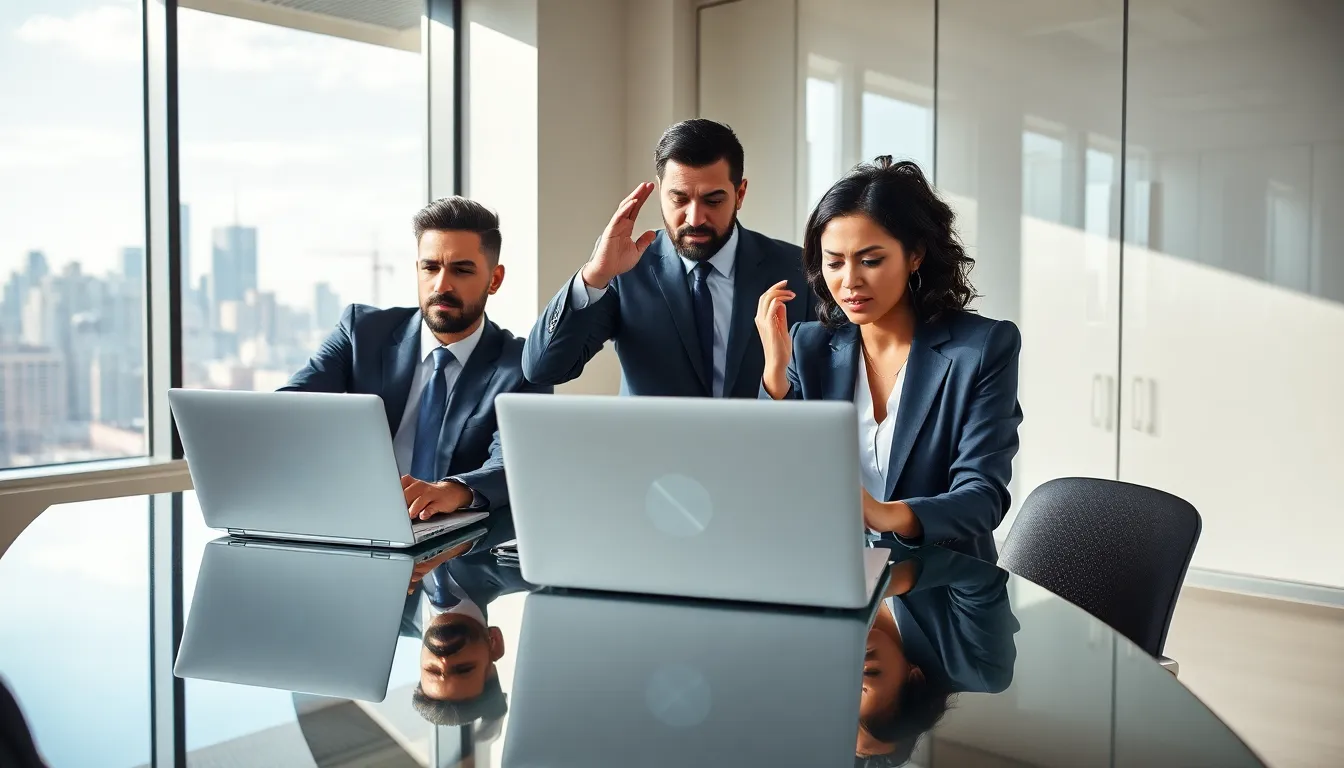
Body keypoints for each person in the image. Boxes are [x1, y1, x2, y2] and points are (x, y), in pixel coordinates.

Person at [757, 157, 1022, 563]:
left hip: (942, 583)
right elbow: (774, 481)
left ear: (915, 255)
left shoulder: (981, 349)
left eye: (870, 260)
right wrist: (775, 376)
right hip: (832, 574)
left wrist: (885, 514)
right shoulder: (808, 346)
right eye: (834, 262)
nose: (850, 281)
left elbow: (983, 497)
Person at [282, 197, 551, 520]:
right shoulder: (361, 332)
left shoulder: (524, 365)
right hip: (351, 517)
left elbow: (515, 461)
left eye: (461, 270)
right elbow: (285, 412)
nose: (442, 285)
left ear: (494, 280)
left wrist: (453, 491)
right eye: (430, 267)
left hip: (455, 536)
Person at [523, 119, 816, 397]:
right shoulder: (624, 270)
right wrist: (594, 276)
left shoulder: (797, 269)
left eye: (713, 200)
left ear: (740, 194)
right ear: (661, 191)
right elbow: (543, 369)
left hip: (759, 435)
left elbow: (822, 389)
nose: (695, 218)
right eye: (679, 199)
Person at [409, 553, 535, 729]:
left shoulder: (381, 615)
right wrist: (466, 545)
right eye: (463, 668)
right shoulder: (526, 569)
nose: (444, 661)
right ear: (495, 644)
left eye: (433, 670)